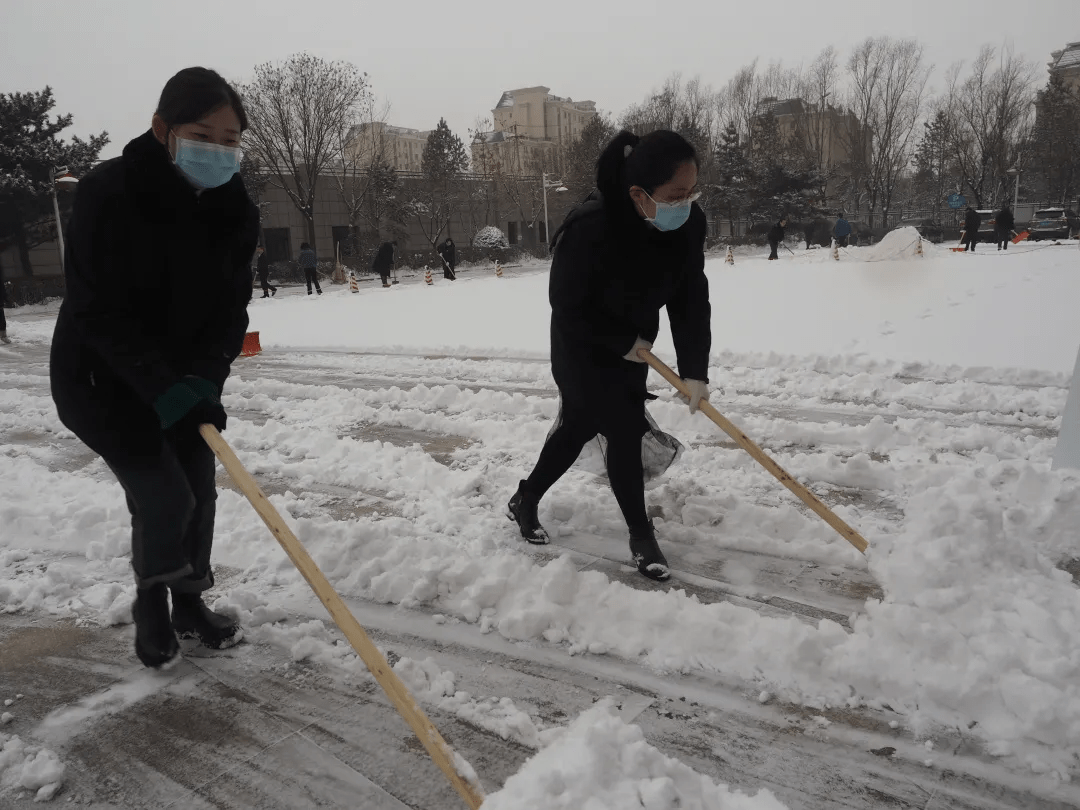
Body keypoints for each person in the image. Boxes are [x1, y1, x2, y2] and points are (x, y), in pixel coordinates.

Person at [49, 67, 257, 668]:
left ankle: (189, 603)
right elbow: (97, 309)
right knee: (164, 495)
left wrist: (203, 380)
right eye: (203, 134)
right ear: (162, 129)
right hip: (102, 377)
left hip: (182, 376)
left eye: (230, 140)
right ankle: (150, 602)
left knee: (199, 486)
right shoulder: (108, 193)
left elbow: (229, 309)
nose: (218, 151)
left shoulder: (232, 207)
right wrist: (161, 388)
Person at [506, 130, 711, 582]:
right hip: (582, 343)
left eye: (691, 191)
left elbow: (690, 296)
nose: (687, 203)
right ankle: (641, 533)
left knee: (581, 426)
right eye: (676, 194)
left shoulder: (687, 224)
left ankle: (526, 497)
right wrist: (620, 341)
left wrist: (696, 370)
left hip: (635, 348)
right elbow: (566, 303)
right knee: (621, 426)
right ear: (639, 193)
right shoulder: (591, 226)